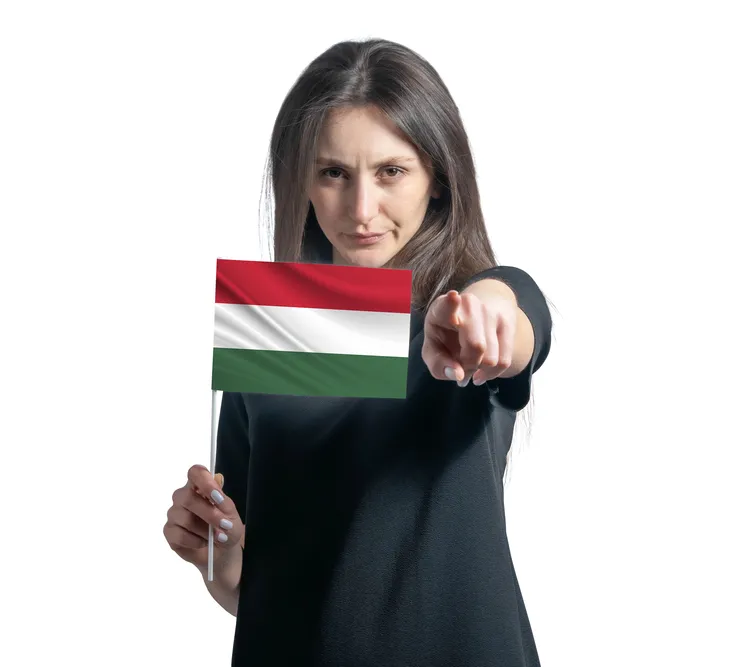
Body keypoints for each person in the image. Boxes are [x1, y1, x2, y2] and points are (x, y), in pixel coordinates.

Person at [163, 38, 553, 666]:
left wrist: (487, 315)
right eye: (333, 173)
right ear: (302, 181)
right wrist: (223, 555)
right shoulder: (274, 328)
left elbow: (516, 317)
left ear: (437, 178)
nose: (361, 209)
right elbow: (260, 586)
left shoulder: (463, 316)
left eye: (390, 172)